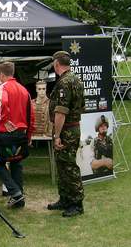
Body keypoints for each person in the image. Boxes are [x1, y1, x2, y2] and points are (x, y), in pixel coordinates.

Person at [47, 51, 85, 217]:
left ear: (56, 64)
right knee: (62, 165)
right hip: (71, 127)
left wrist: (57, 135)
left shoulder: (64, 82)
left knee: (68, 167)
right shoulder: (76, 79)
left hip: (66, 129)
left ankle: (76, 203)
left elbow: (61, 112)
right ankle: (65, 199)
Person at [0, 62, 35, 209]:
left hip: (6, 133)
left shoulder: (3, 87)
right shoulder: (25, 91)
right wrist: (29, 135)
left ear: (1, 75)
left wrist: (4, 120)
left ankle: (15, 192)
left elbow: (2, 102)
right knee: (17, 163)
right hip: (21, 133)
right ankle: (19, 200)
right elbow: (31, 115)